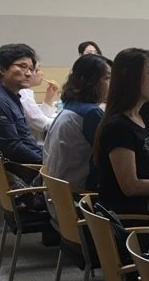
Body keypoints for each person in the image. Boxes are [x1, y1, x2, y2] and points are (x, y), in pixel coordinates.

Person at [93, 48, 149, 215]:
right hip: (129, 220)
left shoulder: (142, 118)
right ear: (130, 77)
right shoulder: (118, 127)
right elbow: (130, 186)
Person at [44, 53, 112, 192]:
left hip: (58, 195)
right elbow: (114, 156)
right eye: (107, 78)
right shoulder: (90, 114)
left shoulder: (70, 107)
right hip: (80, 197)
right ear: (91, 82)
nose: (113, 84)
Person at [0, 44, 44, 165]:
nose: (29, 74)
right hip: (16, 170)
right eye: (23, 66)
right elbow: (13, 149)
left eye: (31, 69)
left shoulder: (11, 97)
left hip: (24, 163)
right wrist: (47, 162)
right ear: (2, 69)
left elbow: (25, 140)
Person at [18, 63, 59, 143]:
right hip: (34, 144)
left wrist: (49, 97)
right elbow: (42, 123)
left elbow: (41, 116)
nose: (41, 73)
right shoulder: (24, 94)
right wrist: (66, 124)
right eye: (37, 70)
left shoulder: (26, 92)